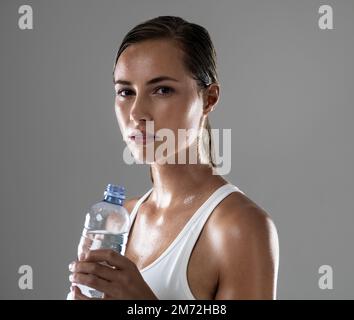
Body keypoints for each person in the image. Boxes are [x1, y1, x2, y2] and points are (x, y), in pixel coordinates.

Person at [68, 16, 279, 300]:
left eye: (162, 90)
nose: (136, 113)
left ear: (209, 98)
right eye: (125, 92)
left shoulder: (238, 228)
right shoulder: (120, 219)